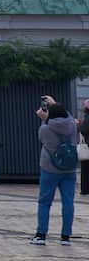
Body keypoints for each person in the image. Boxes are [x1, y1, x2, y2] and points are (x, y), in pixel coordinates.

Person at [32, 99, 78, 246]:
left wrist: (44, 119)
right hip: (69, 169)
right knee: (68, 202)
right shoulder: (72, 126)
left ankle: (41, 235)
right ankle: (65, 237)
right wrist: (56, 103)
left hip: (49, 169)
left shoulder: (46, 127)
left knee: (45, 202)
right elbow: (69, 117)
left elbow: (41, 138)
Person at [79, 99, 89, 197]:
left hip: (87, 147)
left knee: (85, 168)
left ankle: (85, 189)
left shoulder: (87, 118)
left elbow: (84, 130)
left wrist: (79, 125)